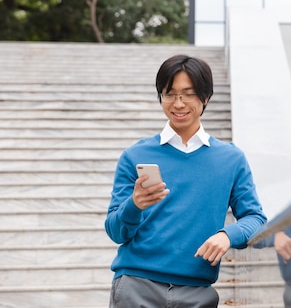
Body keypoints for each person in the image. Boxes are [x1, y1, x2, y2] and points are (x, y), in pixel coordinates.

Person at [105, 54, 267, 308]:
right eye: (170, 94)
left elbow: (256, 219)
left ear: (205, 97)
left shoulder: (231, 159)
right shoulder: (135, 156)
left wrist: (228, 235)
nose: (178, 103)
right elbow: (115, 231)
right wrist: (134, 205)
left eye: (188, 94)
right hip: (136, 288)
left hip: (198, 294)